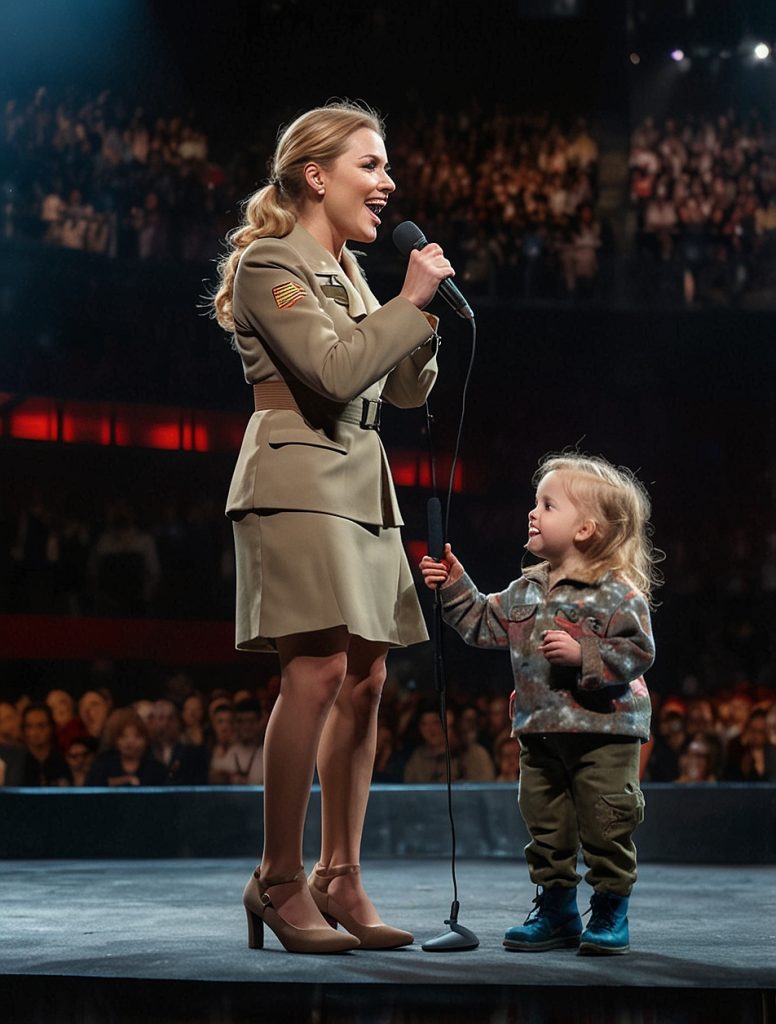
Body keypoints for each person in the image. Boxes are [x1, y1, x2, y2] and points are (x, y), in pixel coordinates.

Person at [211, 100, 450, 954]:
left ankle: (339, 874)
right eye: (371, 165)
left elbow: (407, 392)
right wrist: (409, 301)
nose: (387, 185)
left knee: (367, 683)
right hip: (300, 476)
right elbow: (337, 370)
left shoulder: (351, 274)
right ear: (316, 175)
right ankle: (278, 878)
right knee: (312, 674)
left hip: (363, 483)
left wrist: (416, 314)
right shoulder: (269, 263)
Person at [421, 453, 660, 956]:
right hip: (541, 732)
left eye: (547, 505)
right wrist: (453, 583)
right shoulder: (525, 590)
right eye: (536, 503)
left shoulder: (617, 592)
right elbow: (482, 623)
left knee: (606, 822)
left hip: (605, 734)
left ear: (585, 529)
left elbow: (639, 652)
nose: (533, 513)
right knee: (545, 822)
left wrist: (585, 654)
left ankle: (611, 910)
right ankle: (556, 911)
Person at [86, 708, 167, 786]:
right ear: (114, 739)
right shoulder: (101, 766)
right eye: (123, 736)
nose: (130, 742)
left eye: (137, 736)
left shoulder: (157, 769)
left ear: (145, 739)